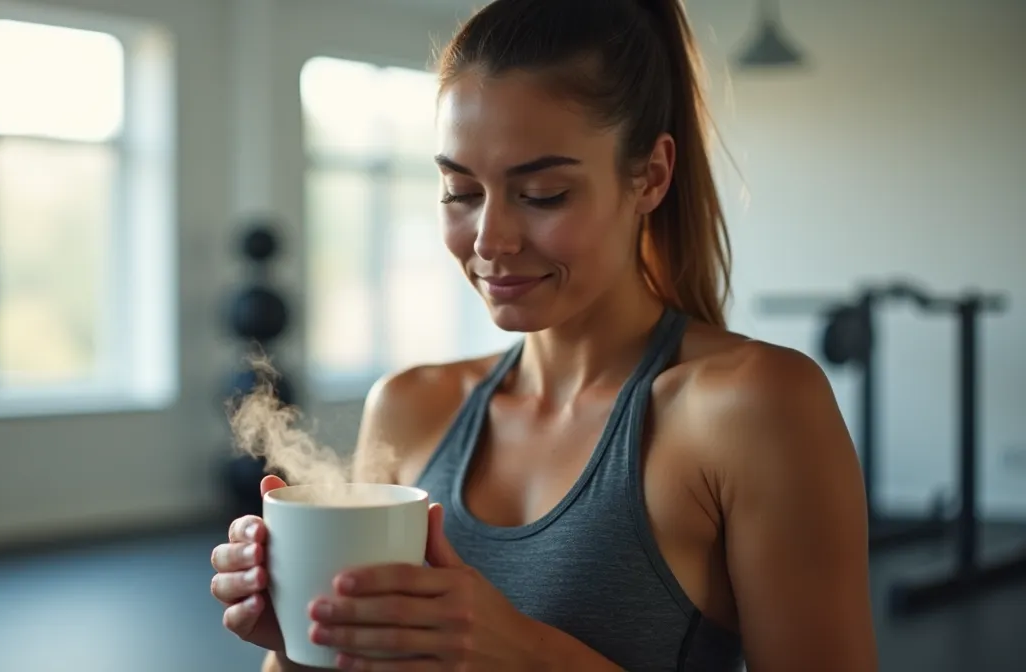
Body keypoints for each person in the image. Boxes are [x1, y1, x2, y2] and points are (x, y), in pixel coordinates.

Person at [210, 0, 878, 669]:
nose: (489, 240)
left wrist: (526, 654)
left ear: (650, 176)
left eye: (543, 194)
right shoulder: (410, 407)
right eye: (460, 191)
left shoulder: (750, 408)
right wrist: (302, 638)